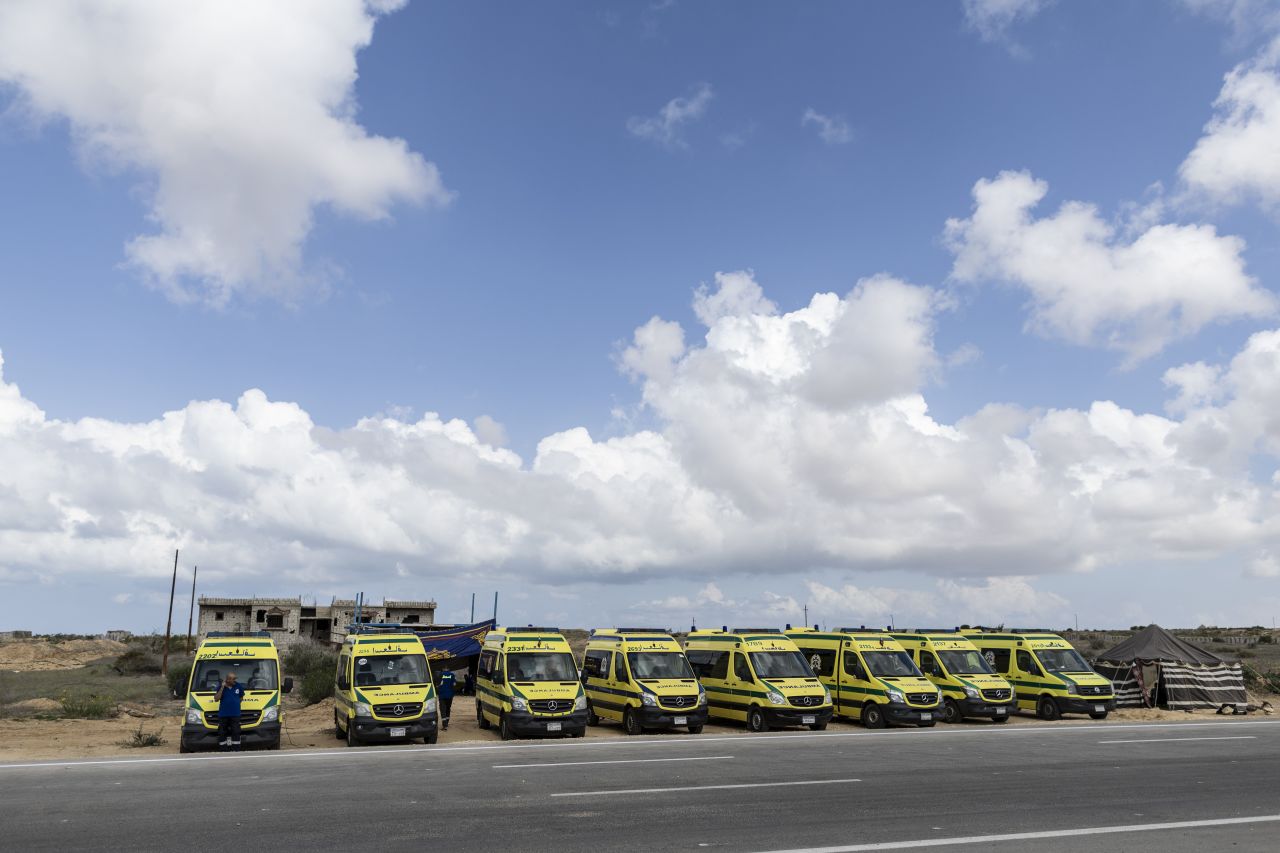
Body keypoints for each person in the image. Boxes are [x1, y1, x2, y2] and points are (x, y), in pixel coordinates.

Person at [214, 671, 246, 751]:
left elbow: (241, 697)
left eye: (235, 679)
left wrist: (235, 704)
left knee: (236, 731)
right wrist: (222, 687)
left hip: (235, 714)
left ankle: (236, 749)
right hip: (223, 714)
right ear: (227, 680)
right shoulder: (220, 687)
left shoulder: (238, 686)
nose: (235, 680)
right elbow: (216, 699)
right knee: (222, 732)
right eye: (233, 679)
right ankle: (223, 749)